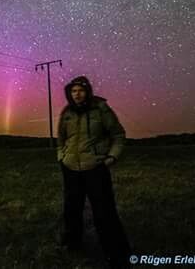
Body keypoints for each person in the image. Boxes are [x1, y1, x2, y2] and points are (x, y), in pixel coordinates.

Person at [56, 75, 132, 269]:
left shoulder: (101, 109)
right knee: (71, 210)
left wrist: (111, 157)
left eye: (80, 90)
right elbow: (61, 138)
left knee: (104, 212)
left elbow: (118, 135)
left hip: (96, 168)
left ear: (87, 91)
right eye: (73, 91)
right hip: (71, 168)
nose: (77, 94)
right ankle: (73, 245)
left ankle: (117, 254)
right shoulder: (67, 113)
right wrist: (61, 157)